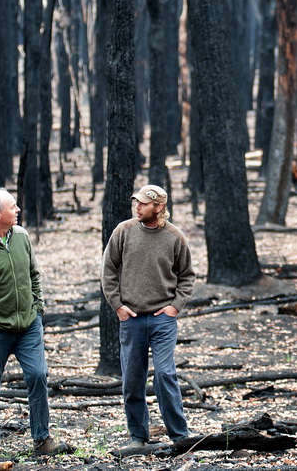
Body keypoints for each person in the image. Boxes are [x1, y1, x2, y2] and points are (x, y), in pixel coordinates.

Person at [0, 185, 68, 455]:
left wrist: (38, 307)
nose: (18, 210)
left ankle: (42, 440)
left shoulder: (21, 236)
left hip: (29, 326)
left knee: (39, 376)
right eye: (12, 207)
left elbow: (34, 274)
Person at [102, 184, 195, 449]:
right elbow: (108, 270)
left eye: (144, 203)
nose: (138, 206)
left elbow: (187, 275)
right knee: (132, 379)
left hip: (162, 318)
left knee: (165, 374)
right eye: (137, 202)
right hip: (131, 318)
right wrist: (117, 305)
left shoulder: (175, 236)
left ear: (159, 207)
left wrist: (175, 306)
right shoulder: (124, 231)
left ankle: (180, 436)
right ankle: (138, 437)